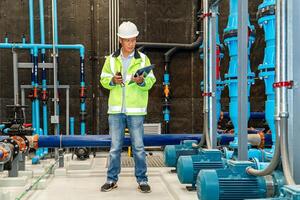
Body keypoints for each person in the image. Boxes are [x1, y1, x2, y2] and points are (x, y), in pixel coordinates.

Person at [100, 21, 156, 193]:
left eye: (133, 40)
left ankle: (142, 180)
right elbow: (103, 79)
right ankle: (111, 179)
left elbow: (151, 81)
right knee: (115, 147)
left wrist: (141, 81)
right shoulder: (110, 60)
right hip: (116, 111)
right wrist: (112, 81)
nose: (131, 43)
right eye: (127, 40)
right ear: (120, 40)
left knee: (138, 147)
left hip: (135, 111)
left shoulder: (143, 59)